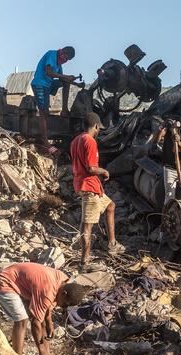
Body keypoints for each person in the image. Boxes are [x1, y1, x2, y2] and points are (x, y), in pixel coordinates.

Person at [0, 262, 86, 355]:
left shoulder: (63, 280)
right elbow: (35, 323)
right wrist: (42, 350)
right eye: (64, 305)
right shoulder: (47, 292)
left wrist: (49, 321)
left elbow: (46, 309)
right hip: (5, 282)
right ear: (64, 294)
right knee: (22, 321)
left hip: (21, 282)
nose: (62, 307)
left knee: (42, 321)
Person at [70, 112, 125, 271]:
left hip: (86, 185)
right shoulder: (90, 141)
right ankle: (84, 263)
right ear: (95, 126)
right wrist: (104, 171)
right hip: (89, 187)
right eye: (98, 128)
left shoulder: (76, 140)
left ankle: (112, 244)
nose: (99, 131)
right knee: (86, 226)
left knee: (110, 206)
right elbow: (91, 168)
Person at [31, 46, 78, 155]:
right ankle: (45, 142)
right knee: (44, 113)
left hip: (48, 85)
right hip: (39, 84)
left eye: (67, 60)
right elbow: (49, 72)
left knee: (66, 82)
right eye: (65, 58)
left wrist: (75, 82)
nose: (65, 61)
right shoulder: (52, 54)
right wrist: (65, 76)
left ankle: (65, 109)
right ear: (63, 52)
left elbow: (62, 78)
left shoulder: (59, 64)